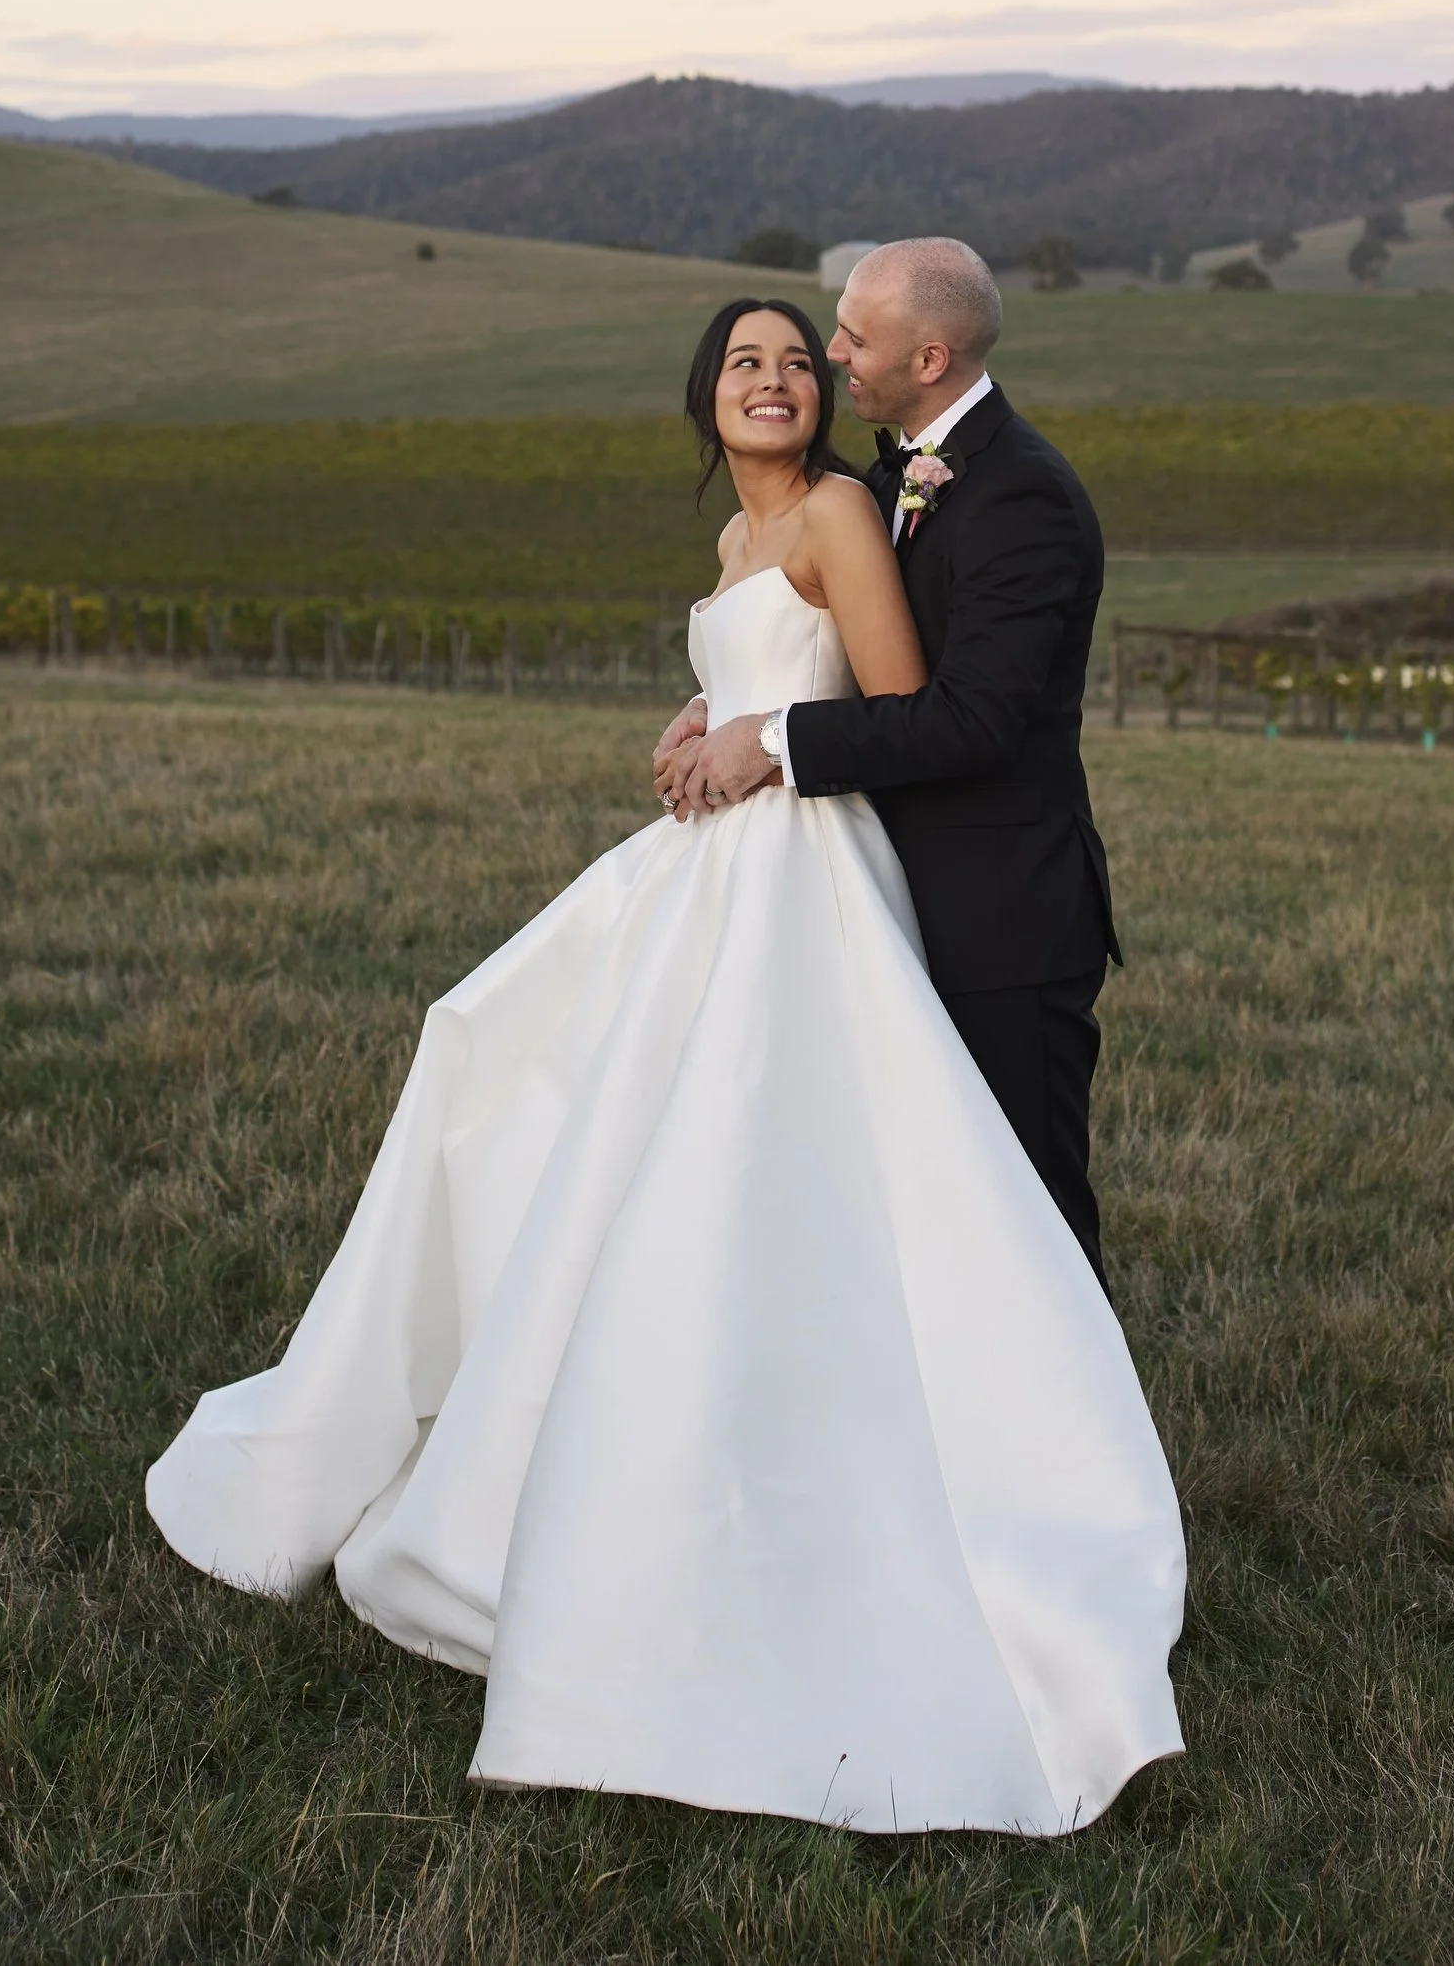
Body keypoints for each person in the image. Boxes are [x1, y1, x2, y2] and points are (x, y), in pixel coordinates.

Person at [146, 293, 1182, 1834]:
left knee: (827, 1175)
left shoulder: (847, 503)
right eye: (749, 359)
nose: (785, 372)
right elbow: (795, 678)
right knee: (546, 1088)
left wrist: (763, 733)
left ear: (894, 369)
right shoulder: (740, 544)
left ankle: (1009, 1499)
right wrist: (715, 712)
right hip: (719, 871)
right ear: (703, 401)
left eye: (805, 352)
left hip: (810, 880)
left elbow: (897, 702)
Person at [658, 236, 1118, 1283]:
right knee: (913, 1207)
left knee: (1026, 1213)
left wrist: (769, 742)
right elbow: (841, 645)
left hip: (1002, 917)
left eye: (855, 339)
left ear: (931, 359)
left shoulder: (1022, 495)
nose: (831, 355)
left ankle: (1071, 1441)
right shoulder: (891, 475)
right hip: (878, 894)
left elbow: (970, 721)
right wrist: (719, 701)